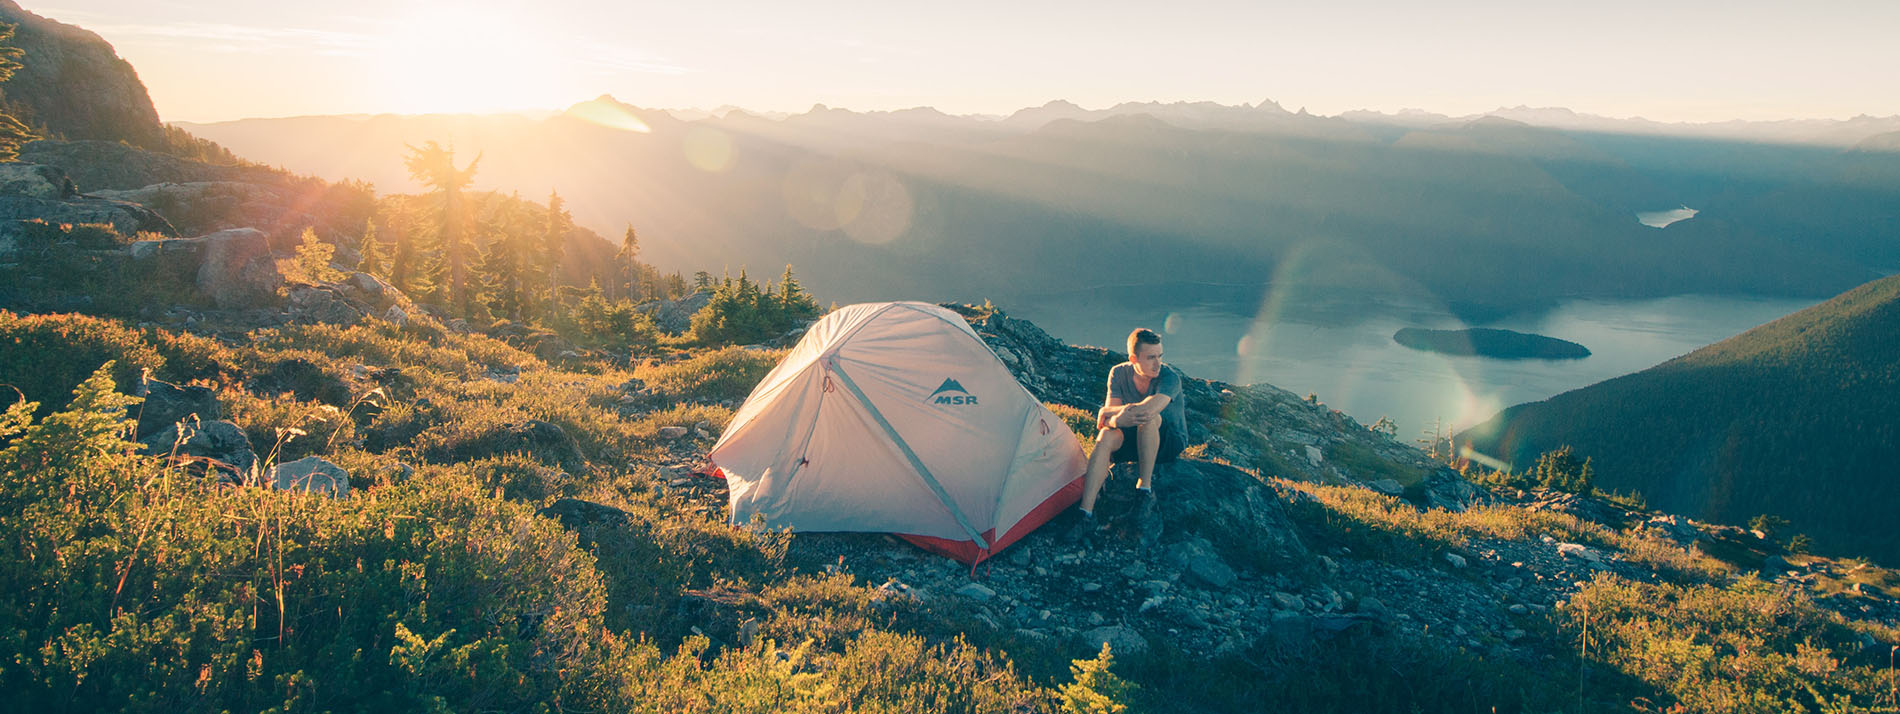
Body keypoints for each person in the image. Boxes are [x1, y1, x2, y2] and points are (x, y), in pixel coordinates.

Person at [1066, 328, 1185, 543]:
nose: (1158, 363)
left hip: (1168, 441)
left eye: (1160, 356)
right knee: (1106, 437)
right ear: (1133, 359)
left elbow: (1147, 411)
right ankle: (1086, 512)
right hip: (1133, 436)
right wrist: (1113, 419)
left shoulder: (1170, 378)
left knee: (1148, 419)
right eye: (1151, 358)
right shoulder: (1119, 373)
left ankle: (1144, 490)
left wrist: (1115, 415)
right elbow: (1106, 416)